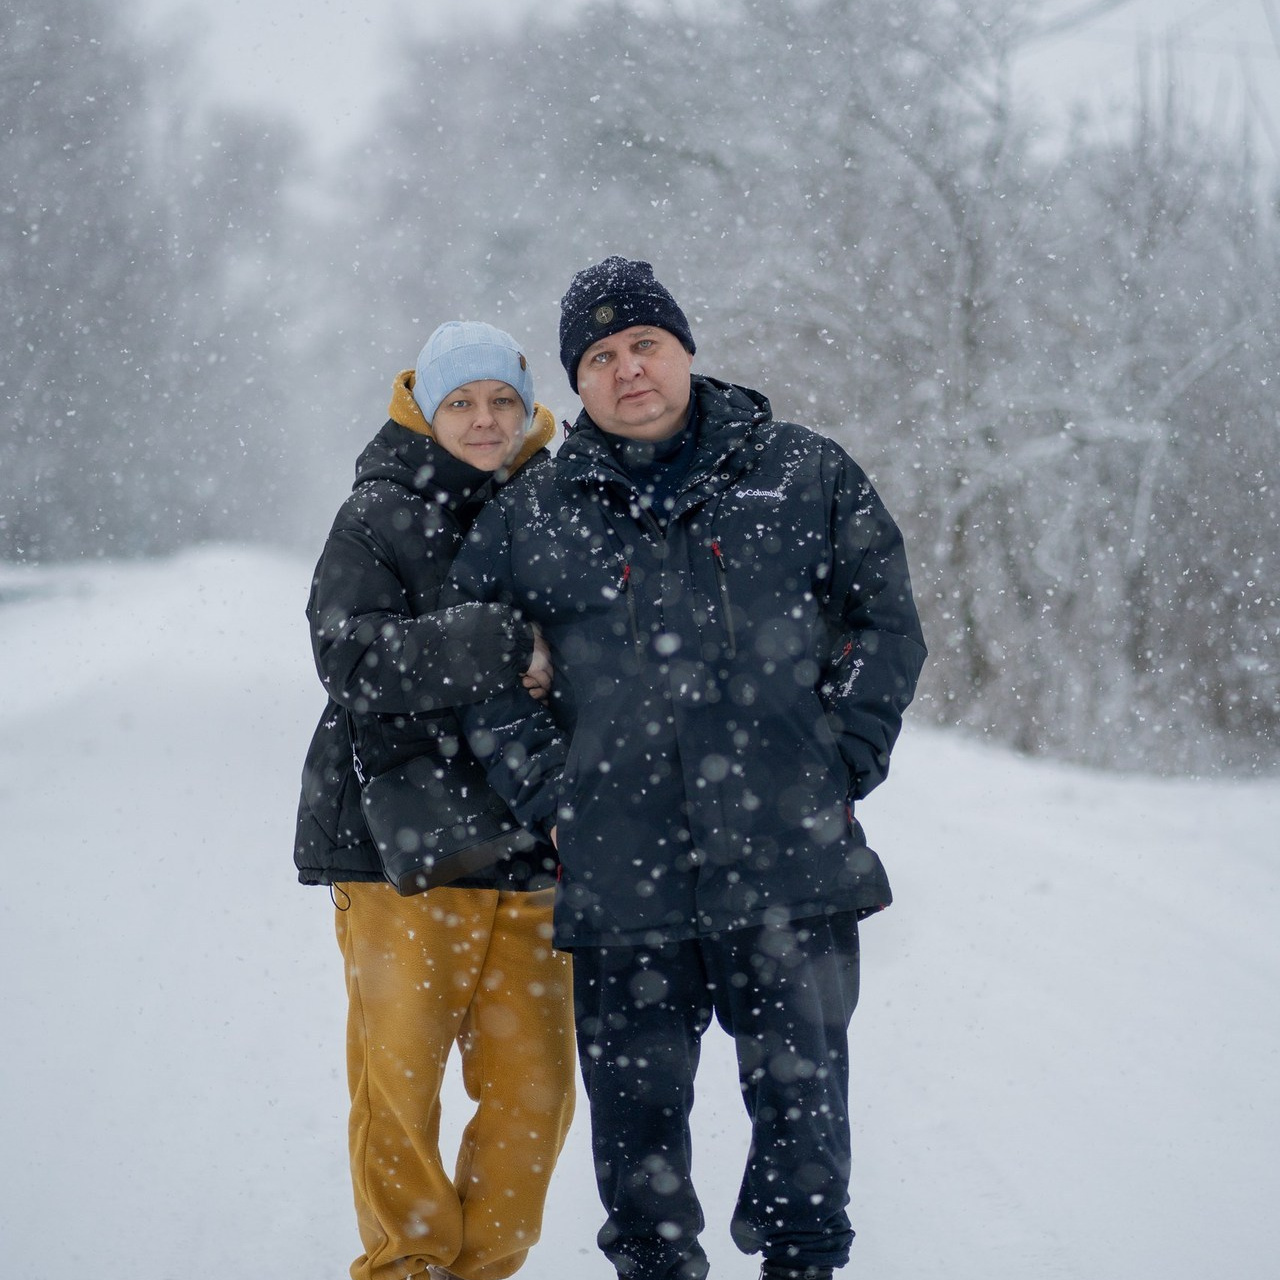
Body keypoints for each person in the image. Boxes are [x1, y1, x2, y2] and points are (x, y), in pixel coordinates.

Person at [446, 258, 928, 1280]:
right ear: (573, 386)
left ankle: (801, 1263)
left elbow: (886, 620)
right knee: (639, 1141)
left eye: (645, 346)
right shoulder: (532, 514)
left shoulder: (800, 472)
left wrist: (840, 759)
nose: (628, 371)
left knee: (803, 1123)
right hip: (623, 874)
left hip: (787, 861)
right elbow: (478, 670)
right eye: (600, 357)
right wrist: (550, 794)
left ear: (685, 350)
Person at [293, 321, 575, 1280]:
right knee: (399, 1091)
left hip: (534, 847)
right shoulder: (377, 514)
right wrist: (501, 643)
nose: (486, 420)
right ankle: (407, 1267)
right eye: (463, 402)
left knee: (535, 1097)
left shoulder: (568, 502)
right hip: (397, 849)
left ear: (530, 404)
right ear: (427, 409)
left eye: (502, 399)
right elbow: (352, 657)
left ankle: (484, 1269)